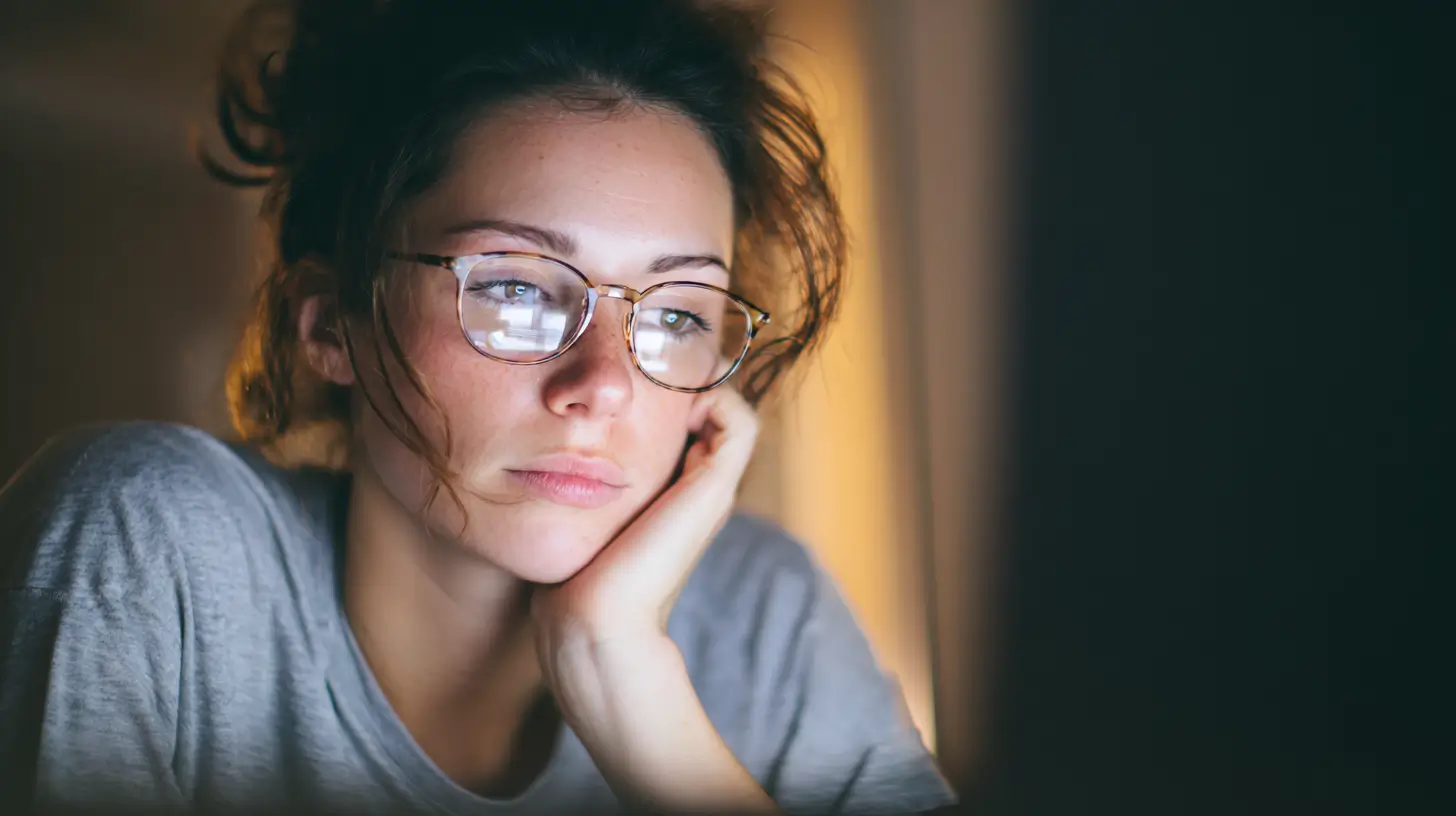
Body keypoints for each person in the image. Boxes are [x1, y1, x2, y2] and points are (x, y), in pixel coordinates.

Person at [0, 0, 954, 813]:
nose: (606, 383)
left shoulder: (764, 617)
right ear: (331, 323)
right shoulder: (149, 546)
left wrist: (619, 672)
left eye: (673, 314)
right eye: (516, 290)